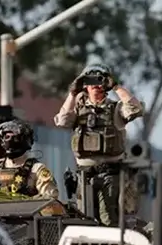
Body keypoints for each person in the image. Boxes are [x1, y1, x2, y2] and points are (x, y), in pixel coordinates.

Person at [53, 64, 144, 225]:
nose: (95, 84)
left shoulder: (116, 109)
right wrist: (72, 93)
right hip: (84, 176)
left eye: (99, 79)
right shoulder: (78, 109)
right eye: (90, 80)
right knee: (83, 219)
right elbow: (62, 121)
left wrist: (116, 86)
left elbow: (135, 109)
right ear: (85, 85)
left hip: (110, 176)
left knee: (108, 220)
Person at [0, 118, 59, 199]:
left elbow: (50, 198)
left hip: (29, 214)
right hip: (0, 214)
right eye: (6, 136)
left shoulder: (37, 169)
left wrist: (29, 202)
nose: (9, 139)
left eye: (14, 136)